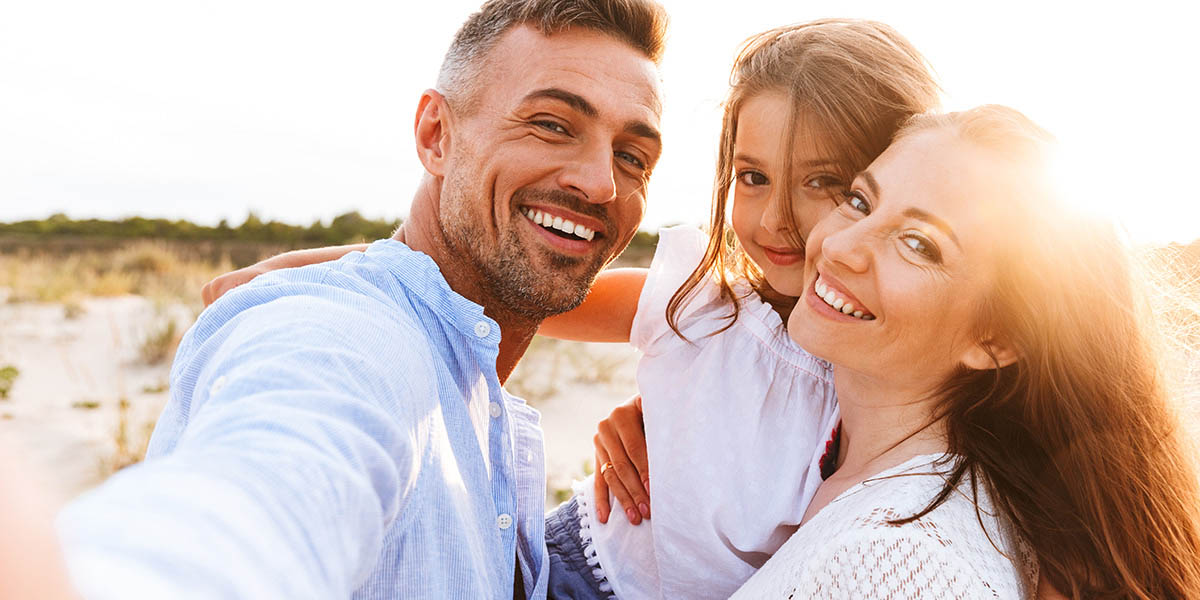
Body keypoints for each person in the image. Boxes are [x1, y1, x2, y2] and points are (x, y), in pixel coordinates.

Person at [204, 19, 941, 599]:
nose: (776, 221)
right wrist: (311, 270)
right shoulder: (704, 302)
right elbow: (488, 287)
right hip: (577, 574)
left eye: (826, 183)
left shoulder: (897, 372)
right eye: (751, 176)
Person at [53, 1, 669, 598]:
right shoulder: (347, 339)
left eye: (632, 156)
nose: (599, 181)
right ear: (435, 136)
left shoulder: (476, 388)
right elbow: (262, 491)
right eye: (552, 126)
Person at [726, 106, 1200, 598]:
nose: (841, 246)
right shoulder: (832, 457)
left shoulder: (896, 561)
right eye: (861, 201)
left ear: (995, 339)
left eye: (919, 245)